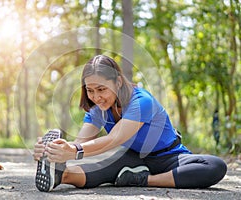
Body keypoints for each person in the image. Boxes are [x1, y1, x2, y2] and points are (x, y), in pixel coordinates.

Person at [33, 55, 227, 191]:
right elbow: (81, 141)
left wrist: (75, 150)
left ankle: (143, 180)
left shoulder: (142, 101)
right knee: (102, 170)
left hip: (169, 157)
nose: (96, 97)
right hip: (133, 159)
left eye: (101, 89)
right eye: (90, 91)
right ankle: (60, 175)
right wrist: (57, 151)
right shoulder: (97, 109)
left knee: (215, 166)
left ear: (118, 82)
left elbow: (115, 138)